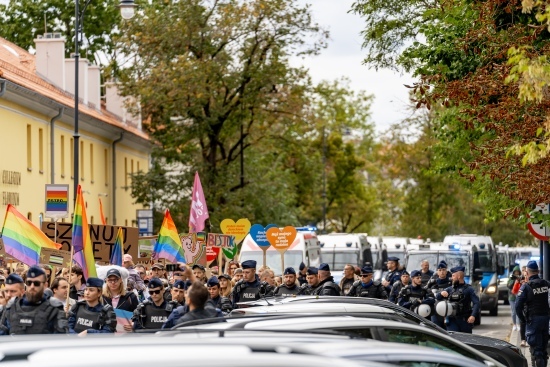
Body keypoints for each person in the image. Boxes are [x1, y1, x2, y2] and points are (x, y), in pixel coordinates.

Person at [0, 265, 68, 335]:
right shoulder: (12, 306)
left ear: (45, 285)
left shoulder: (54, 308)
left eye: (36, 283)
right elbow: (3, 335)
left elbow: (60, 339)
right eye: (29, 283)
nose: (32, 286)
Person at [515, 260, 550, 367]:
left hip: (533, 320)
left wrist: (523, 319)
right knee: (543, 350)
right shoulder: (546, 283)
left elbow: (517, 306)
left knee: (537, 351)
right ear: (538, 271)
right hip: (545, 319)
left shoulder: (526, 287)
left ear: (527, 272)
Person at [435, 266, 479, 334]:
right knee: (453, 339)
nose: (451, 278)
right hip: (452, 320)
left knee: (466, 340)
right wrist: (441, 293)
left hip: (465, 320)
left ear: (458, 276)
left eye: (453, 276)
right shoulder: (450, 289)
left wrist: (473, 315)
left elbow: (476, 303)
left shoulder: (469, 289)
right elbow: (437, 297)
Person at [103, 268, 139, 333]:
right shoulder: (101, 297)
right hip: (106, 335)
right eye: (110, 280)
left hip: (125, 335)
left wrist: (134, 324)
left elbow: (138, 316)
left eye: (115, 280)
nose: (113, 282)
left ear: (120, 280)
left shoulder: (131, 297)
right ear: (106, 281)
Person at [427, 261, 452, 329]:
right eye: (440, 270)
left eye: (443, 270)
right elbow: (431, 294)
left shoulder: (451, 282)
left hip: (449, 310)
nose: (442, 272)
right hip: (436, 310)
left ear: (446, 271)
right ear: (437, 272)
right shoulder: (433, 283)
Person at [507, 265, 521, 331]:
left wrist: (519, 280)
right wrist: (513, 280)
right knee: (513, 312)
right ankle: (514, 324)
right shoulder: (511, 278)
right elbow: (508, 286)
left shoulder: (521, 278)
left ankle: (518, 324)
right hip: (512, 297)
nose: (516, 273)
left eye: (517, 272)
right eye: (515, 272)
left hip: (518, 296)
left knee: (518, 311)